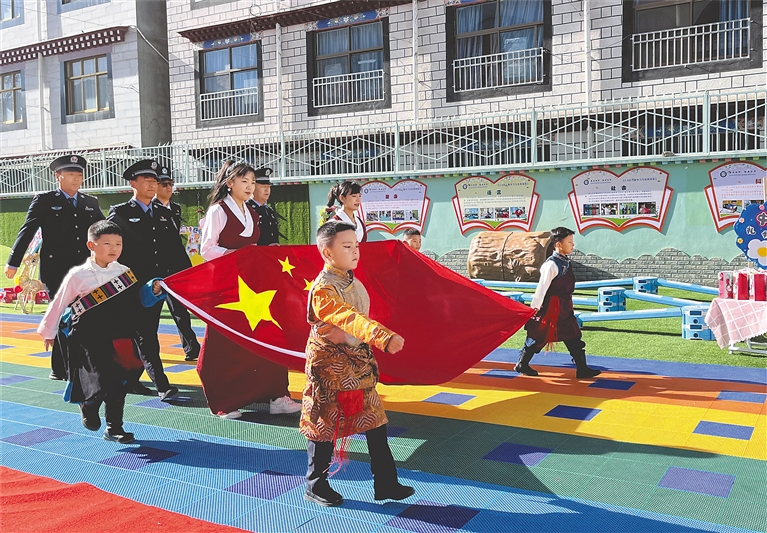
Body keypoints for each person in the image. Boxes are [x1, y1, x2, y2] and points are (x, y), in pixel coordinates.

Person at [302, 220, 415, 507]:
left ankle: (386, 482)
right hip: (330, 369)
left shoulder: (350, 280)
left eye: (356, 246)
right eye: (347, 246)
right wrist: (382, 336)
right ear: (327, 253)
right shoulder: (323, 289)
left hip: (357, 365)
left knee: (375, 421)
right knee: (324, 425)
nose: (355, 251)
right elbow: (349, 318)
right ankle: (315, 484)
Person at [37, 220, 162, 444]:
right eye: (107, 243)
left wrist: (153, 288)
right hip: (88, 336)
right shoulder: (79, 275)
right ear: (91, 245)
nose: (114, 248)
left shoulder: (125, 272)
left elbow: (138, 300)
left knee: (120, 382)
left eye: (118, 244)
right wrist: (49, 331)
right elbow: (59, 302)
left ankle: (114, 427)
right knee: (101, 379)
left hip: (120, 334)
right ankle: (89, 404)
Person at [198, 160, 301, 419]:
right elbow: (207, 249)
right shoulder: (218, 211)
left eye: (252, 182)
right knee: (225, 342)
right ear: (229, 183)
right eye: (244, 181)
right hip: (227, 285)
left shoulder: (252, 213)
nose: (250, 186)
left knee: (267, 333)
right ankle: (225, 400)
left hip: (253, 284)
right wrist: (239, 254)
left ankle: (276, 395)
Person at [5, 155, 105, 381]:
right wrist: (13, 262)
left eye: (79, 175)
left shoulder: (90, 202)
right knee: (64, 314)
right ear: (58, 176)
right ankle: (70, 369)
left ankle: (61, 367)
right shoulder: (44, 200)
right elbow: (27, 230)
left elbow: (104, 229)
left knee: (79, 314)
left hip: (83, 269)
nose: (76, 179)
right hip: (56, 270)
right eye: (71, 175)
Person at [107, 160, 182, 401]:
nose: (152, 185)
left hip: (157, 286)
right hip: (130, 285)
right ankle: (162, 384)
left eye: (154, 181)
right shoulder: (120, 213)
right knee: (145, 335)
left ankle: (130, 379)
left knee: (142, 332)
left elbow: (175, 250)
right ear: (133, 183)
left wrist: (185, 278)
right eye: (147, 180)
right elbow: (109, 249)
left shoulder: (164, 213)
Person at [515, 227, 601, 379]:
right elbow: (541, 288)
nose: (573, 245)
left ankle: (582, 368)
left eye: (572, 242)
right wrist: (534, 308)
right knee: (538, 336)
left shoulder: (564, 262)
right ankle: (522, 363)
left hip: (564, 308)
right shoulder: (551, 265)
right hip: (551, 309)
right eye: (569, 242)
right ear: (558, 244)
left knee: (573, 335)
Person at [152, 165, 201, 362]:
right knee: (152, 313)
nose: (169, 188)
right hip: (158, 268)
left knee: (180, 310)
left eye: (171, 184)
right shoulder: (150, 209)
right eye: (164, 184)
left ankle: (191, 348)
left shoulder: (175, 208)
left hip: (176, 267)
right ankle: (147, 352)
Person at [246, 167, 281, 246]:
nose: (267, 190)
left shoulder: (269, 211)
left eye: (268, 187)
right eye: (263, 187)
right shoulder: (246, 209)